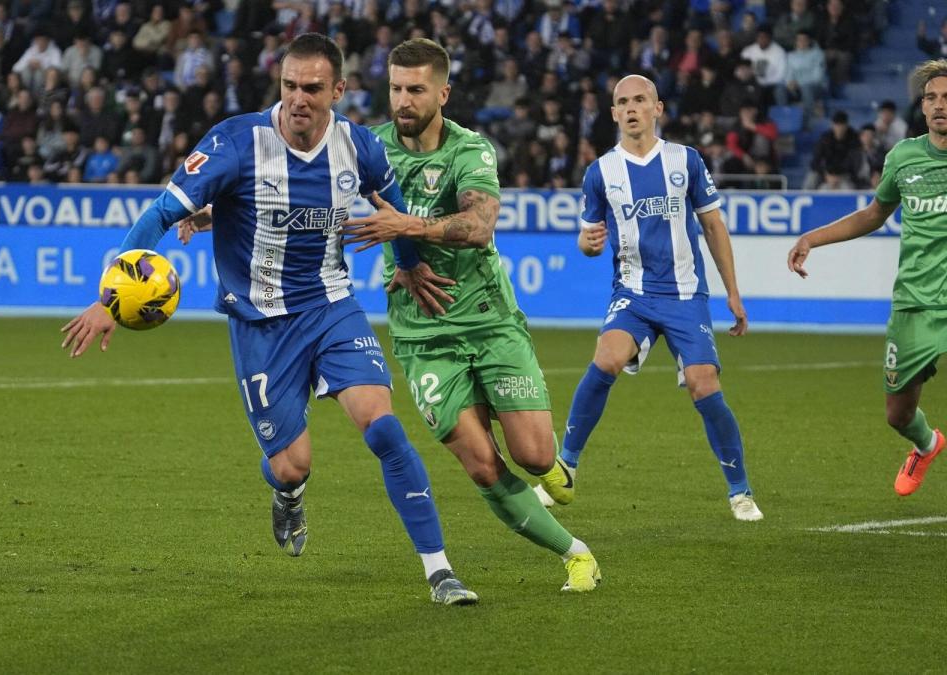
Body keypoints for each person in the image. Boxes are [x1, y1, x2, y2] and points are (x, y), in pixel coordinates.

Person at [60, 33, 479, 606]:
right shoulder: (235, 142)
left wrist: (408, 265)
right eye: (289, 86)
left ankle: (440, 571)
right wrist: (109, 300)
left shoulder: (358, 147)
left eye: (312, 88)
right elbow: (160, 214)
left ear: (338, 90)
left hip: (331, 308)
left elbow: (395, 211)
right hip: (260, 323)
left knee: (382, 427)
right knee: (291, 465)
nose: (299, 99)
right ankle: (287, 494)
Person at [334, 38, 601, 592]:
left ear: (443, 93)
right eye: (395, 89)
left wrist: (408, 228)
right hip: (421, 332)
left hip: (488, 321)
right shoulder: (367, 147)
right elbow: (299, 194)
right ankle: (576, 555)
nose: (402, 101)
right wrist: (217, 215)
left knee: (533, 454)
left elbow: (478, 227)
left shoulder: (469, 151)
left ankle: (552, 467)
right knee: (481, 464)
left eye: (416, 90)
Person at [563, 74, 763, 522]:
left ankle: (740, 490)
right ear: (613, 114)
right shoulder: (600, 172)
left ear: (658, 108)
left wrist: (733, 293)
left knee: (703, 383)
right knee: (607, 356)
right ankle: (566, 466)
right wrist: (587, 244)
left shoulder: (685, 161)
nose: (632, 108)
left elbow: (713, 226)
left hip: (686, 294)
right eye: (623, 102)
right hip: (632, 293)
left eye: (640, 99)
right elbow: (587, 235)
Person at [787, 60, 947, 496]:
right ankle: (927, 445)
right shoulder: (904, 158)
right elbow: (874, 214)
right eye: (932, 97)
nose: (939, 105)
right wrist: (812, 239)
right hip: (915, 302)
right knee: (898, 414)